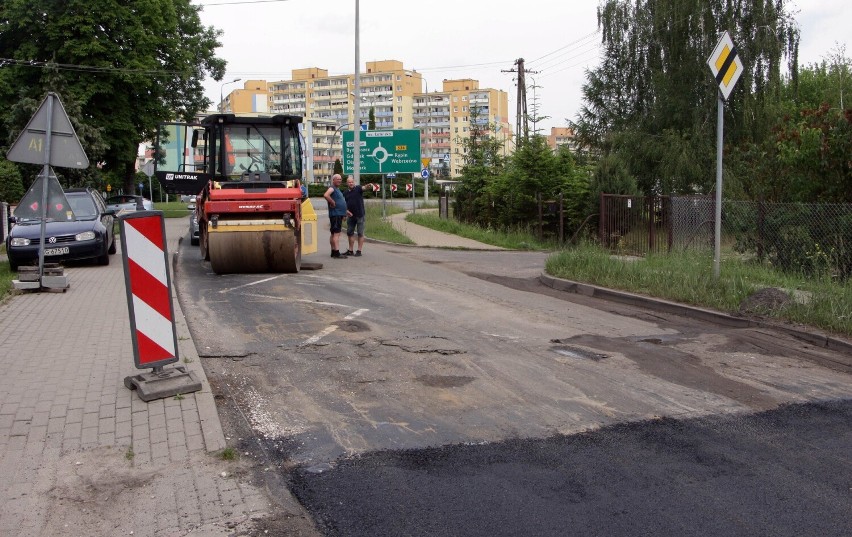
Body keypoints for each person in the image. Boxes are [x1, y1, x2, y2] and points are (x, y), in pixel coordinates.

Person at [323, 174, 348, 258]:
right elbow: (326, 195)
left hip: (338, 214)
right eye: (337, 179)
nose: (339, 181)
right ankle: (336, 252)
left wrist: (345, 212)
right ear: (333, 180)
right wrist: (332, 202)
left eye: (340, 179)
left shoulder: (337, 189)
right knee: (336, 234)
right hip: (336, 214)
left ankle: (333, 251)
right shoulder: (332, 188)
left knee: (333, 233)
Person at [343, 177, 368, 257]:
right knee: (350, 233)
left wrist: (368, 186)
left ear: (354, 182)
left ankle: (359, 251)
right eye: (349, 182)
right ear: (347, 183)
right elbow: (344, 204)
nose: (351, 183)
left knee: (360, 233)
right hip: (350, 216)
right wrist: (345, 213)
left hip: (360, 215)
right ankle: (350, 250)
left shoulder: (358, 188)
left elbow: (364, 188)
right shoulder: (345, 192)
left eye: (352, 182)